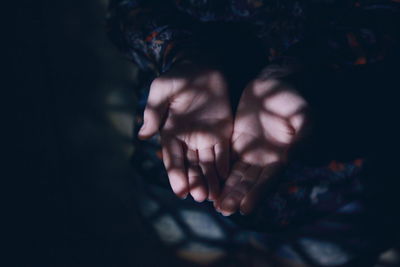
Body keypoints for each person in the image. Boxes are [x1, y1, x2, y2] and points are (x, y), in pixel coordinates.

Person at [107, 0, 400, 265]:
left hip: (339, 184)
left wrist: (299, 69)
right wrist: (182, 54)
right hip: (188, 158)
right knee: (192, 247)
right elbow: (130, 8)